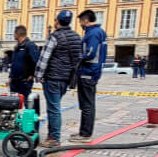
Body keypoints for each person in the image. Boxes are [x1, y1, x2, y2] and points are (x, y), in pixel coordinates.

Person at [34, 10, 82, 148]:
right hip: (66, 78)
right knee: (54, 107)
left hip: (53, 77)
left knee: (53, 109)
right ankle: (51, 135)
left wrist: (38, 75)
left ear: (57, 21)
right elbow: (78, 58)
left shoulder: (54, 36)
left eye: (55, 20)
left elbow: (44, 58)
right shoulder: (76, 37)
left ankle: (54, 138)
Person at [69, 10, 107, 143]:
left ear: (85, 20)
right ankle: (83, 132)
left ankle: (85, 134)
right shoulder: (98, 32)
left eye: (80, 21)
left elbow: (90, 53)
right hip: (90, 72)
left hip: (88, 73)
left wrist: (78, 58)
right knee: (87, 104)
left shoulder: (93, 33)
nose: (80, 24)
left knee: (87, 105)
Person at [8, 25, 39, 103]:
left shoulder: (30, 46)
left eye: (14, 33)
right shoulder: (17, 47)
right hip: (14, 81)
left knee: (27, 103)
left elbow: (35, 61)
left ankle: (29, 115)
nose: (13, 35)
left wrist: (32, 75)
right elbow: (14, 63)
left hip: (24, 81)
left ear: (18, 34)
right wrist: (10, 77)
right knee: (13, 104)